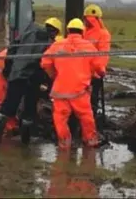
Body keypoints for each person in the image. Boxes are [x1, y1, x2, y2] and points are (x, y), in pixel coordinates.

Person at [0, 13, 62, 144]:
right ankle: (25, 141)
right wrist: (46, 83)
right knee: (30, 109)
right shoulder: (51, 44)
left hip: (17, 74)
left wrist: (9, 70)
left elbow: (12, 50)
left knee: (8, 105)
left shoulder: (28, 32)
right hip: (33, 79)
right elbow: (46, 64)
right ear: (55, 31)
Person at [41, 18, 106, 150]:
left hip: (60, 91)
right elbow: (99, 66)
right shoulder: (89, 47)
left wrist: (54, 75)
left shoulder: (57, 45)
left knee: (60, 118)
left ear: (68, 30)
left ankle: (64, 143)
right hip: (79, 91)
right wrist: (100, 73)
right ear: (82, 31)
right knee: (86, 117)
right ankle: (91, 140)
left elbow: (45, 63)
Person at [82, 4, 111, 125]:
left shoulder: (103, 34)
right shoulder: (83, 31)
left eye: (87, 19)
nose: (86, 21)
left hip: (95, 73)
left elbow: (103, 54)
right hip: (82, 72)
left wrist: (99, 69)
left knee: (93, 97)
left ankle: (91, 118)